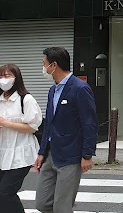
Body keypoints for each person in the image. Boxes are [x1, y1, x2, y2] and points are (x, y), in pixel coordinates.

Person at [35, 47, 98, 213]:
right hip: (51, 154)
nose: (43, 68)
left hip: (71, 155)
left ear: (54, 65)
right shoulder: (52, 90)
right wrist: (41, 152)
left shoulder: (80, 88)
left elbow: (89, 123)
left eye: (44, 64)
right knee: (42, 203)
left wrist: (87, 155)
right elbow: (48, 123)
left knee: (62, 207)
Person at [0, 64, 43, 213]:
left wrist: (7, 123)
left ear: (16, 78)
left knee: (5, 193)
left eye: (7, 76)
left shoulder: (26, 99)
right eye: (1, 76)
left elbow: (33, 127)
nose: (3, 80)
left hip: (21, 153)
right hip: (2, 153)